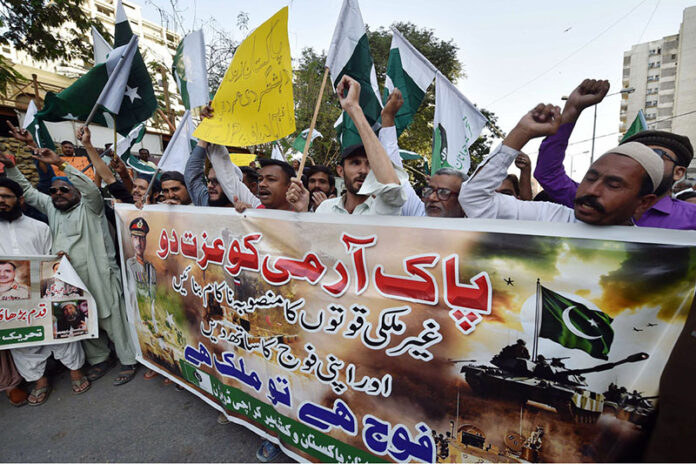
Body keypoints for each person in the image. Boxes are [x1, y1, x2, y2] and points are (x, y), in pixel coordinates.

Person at [0, 149, 138, 386]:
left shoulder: (91, 207)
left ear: (76, 192)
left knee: (111, 318)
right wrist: (11, 167)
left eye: (64, 189)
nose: (58, 194)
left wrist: (61, 165)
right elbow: (30, 193)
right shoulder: (53, 208)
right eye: (53, 191)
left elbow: (91, 189)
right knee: (80, 317)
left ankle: (128, 360)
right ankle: (100, 359)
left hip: (100, 273)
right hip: (70, 278)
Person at [459, 103, 662, 226]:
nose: (592, 190)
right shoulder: (552, 217)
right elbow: (474, 198)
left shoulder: (654, 255)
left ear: (644, 202)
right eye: (590, 178)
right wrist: (522, 132)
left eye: (613, 185)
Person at [534, 78, 696, 229]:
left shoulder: (691, 219)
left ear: (678, 172)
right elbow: (548, 174)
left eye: (654, 155)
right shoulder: (591, 199)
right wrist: (571, 112)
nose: (639, 162)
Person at [0, 177, 89, 405]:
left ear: (20, 200)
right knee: (21, 339)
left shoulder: (39, 227)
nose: (1, 201)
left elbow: (50, 258)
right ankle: (38, 380)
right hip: (8, 298)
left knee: (60, 327)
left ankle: (75, 370)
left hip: (43, 290)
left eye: (5, 196)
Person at [301, 76, 407, 215]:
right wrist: (300, 210)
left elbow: (392, 187)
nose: (363, 170)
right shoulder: (325, 209)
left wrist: (353, 108)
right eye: (355, 163)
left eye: (370, 164)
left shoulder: (384, 208)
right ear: (340, 170)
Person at [184, 139, 232, 207]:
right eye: (209, 181)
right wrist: (205, 138)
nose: (209, 186)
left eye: (216, 181)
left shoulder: (248, 206)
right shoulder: (205, 202)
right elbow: (192, 174)